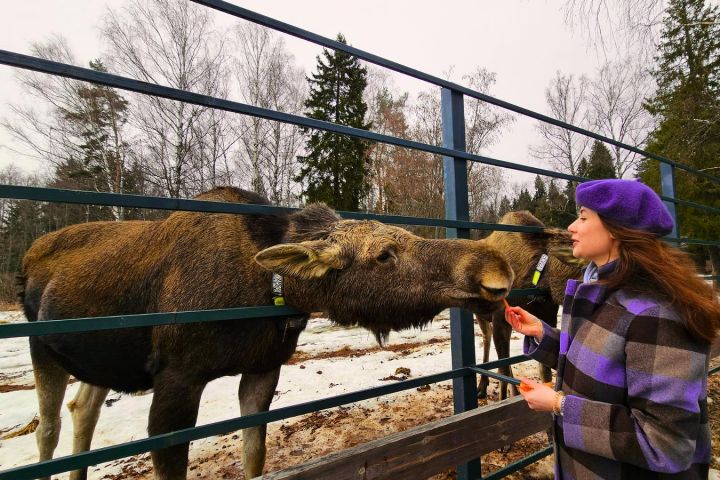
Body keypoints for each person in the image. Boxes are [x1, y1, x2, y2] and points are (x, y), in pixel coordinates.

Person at [505, 178, 719, 479]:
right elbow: (610, 364)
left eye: (582, 217)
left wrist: (559, 404)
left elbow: (665, 443)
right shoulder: (605, 290)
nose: (571, 228)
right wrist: (543, 334)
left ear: (616, 229)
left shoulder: (656, 314)